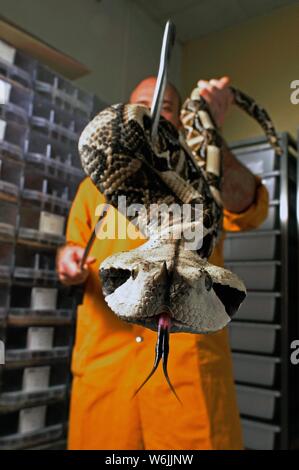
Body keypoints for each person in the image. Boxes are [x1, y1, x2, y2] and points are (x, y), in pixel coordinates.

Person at [56, 76, 269, 450]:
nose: (153, 112)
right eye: (144, 104)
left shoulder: (203, 174)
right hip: (106, 372)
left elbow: (250, 210)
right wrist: (67, 261)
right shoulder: (94, 183)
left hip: (187, 380)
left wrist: (213, 134)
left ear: (181, 120)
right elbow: (72, 243)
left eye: (165, 106)